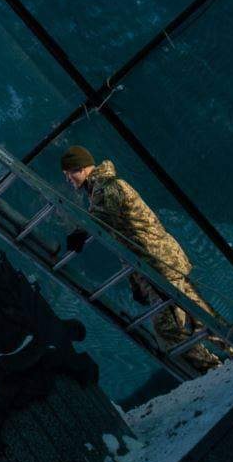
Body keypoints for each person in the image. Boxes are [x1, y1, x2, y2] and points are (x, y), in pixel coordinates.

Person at [60, 146, 222, 372]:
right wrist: (137, 284)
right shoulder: (102, 188)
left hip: (157, 264)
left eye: (69, 173)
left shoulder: (107, 188)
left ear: (81, 168)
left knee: (169, 329)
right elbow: (118, 232)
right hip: (159, 262)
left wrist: (80, 232)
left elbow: (101, 218)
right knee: (197, 315)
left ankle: (214, 368)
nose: (68, 179)